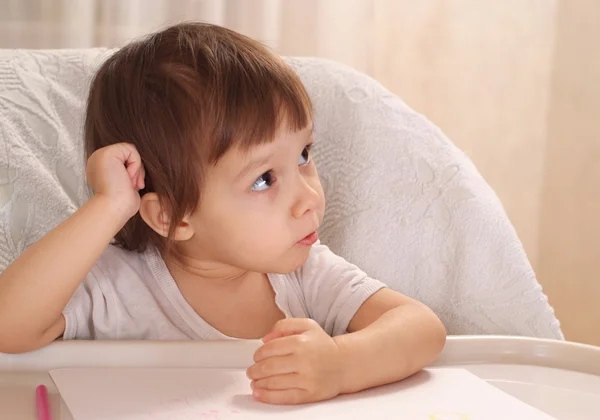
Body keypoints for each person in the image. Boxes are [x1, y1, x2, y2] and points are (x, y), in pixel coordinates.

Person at [0, 22, 446, 405]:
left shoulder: (304, 276)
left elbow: (421, 328)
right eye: (264, 179)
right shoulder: (117, 286)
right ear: (173, 217)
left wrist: (339, 367)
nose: (309, 196)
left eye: (304, 154)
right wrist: (110, 204)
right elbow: (8, 327)